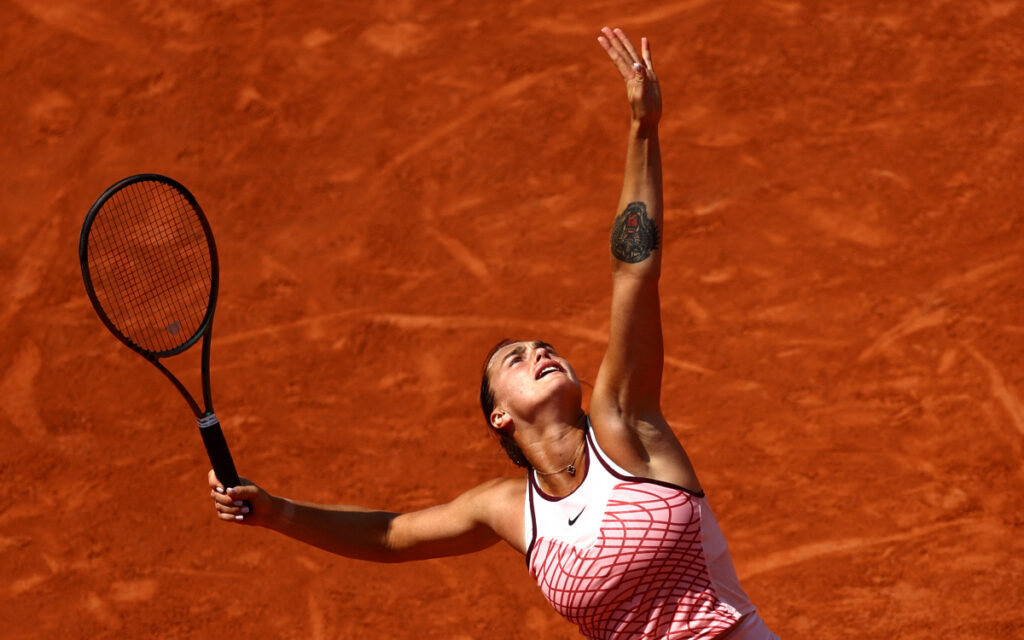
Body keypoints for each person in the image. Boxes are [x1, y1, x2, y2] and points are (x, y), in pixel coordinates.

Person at [208, 27, 779, 640]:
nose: (540, 353)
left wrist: (644, 130)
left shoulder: (624, 426)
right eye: (516, 358)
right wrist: (276, 513)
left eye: (546, 349)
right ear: (500, 415)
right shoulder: (509, 510)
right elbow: (392, 536)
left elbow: (633, 272)